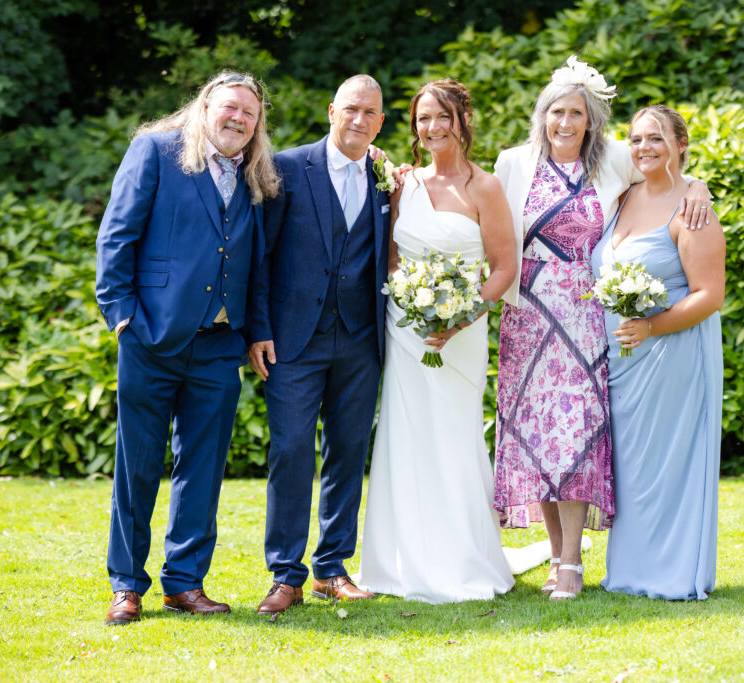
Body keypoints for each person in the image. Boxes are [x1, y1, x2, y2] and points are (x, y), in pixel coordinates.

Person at [492, 57, 712, 600]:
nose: (565, 122)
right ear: (541, 117)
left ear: (590, 121)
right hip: (527, 317)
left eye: (576, 113)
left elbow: (665, 169)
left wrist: (701, 186)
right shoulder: (512, 164)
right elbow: (490, 228)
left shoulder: (612, 159)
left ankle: (571, 562)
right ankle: (552, 552)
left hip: (587, 318)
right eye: (556, 112)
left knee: (576, 436)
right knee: (535, 438)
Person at [96, 71, 279, 625]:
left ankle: (184, 582)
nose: (239, 119)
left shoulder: (257, 174)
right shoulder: (155, 150)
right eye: (230, 108)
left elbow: (259, 264)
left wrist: (257, 329)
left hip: (221, 345)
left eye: (249, 114)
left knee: (201, 468)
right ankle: (127, 585)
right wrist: (122, 317)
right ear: (205, 108)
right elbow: (116, 236)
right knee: (139, 464)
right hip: (153, 337)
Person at [357, 80, 518, 603]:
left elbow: (503, 268)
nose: (432, 128)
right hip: (405, 329)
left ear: (463, 120)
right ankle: (399, 562)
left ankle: (462, 559)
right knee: (404, 436)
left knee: (453, 436)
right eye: (423, 119)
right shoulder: (404, 185)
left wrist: (464, 314)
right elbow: (393, 260)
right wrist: (412, 304)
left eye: (441, 117)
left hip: (462, 333)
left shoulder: (485, 187)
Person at [247, 75, 391, 614]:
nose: (359, 119)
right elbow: (260, 254)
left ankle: (332, 567)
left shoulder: (385, 176)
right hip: (292, 340)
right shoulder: (286, 168)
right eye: (351, 109)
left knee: (348, 452)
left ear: (380, 122)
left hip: (360, 340)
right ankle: (286, 573)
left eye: (370, 113)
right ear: (333, 111)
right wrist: (257, 328)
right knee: (289, 450)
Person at [593, 105, 725, 600]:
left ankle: (671, 574)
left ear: (680, 144)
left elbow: (710, 294)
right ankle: (628, 572)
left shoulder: (693, 208)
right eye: (636, 139)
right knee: (629, 466)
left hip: (673, 354)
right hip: (622, 357)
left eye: (656, 139)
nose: (644, 148)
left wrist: (651, 326)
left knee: (669, 462)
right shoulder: (622, 195)